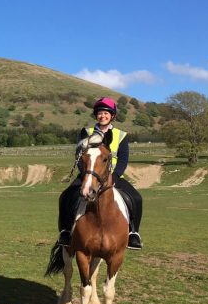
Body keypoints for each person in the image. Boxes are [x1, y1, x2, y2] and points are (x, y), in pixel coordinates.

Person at [56, 97, 143, 250]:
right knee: (66, 195)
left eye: (106, 113)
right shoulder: (86, 133)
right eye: (99, 113)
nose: (102, 116)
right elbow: (79, 156)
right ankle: (65, 231)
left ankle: (133, 233)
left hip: (112, 176)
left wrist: (115, 177)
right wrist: (85, 174)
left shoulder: (121, 136)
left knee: (136, 198)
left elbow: (123, 159)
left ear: (112, 116)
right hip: (88, 174)